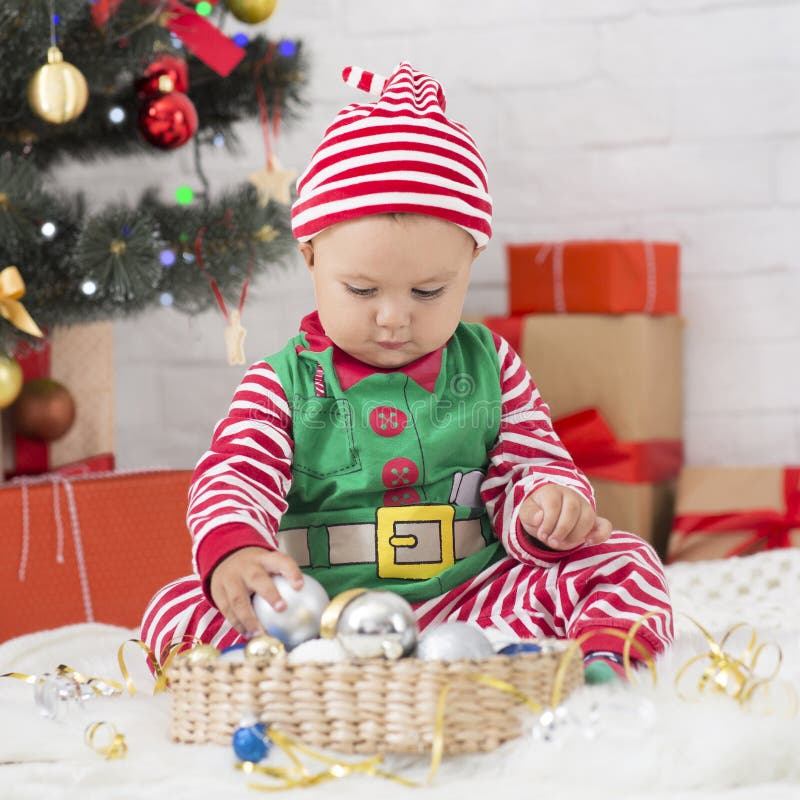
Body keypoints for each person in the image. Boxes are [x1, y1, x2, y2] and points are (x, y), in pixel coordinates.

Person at [141, 62, 673, 683]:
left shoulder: (491, 365)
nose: (393, 318)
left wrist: (546, 506)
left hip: (473, 597)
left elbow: (529, 460)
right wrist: (238, 550)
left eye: (427, 292)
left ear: (471, 259)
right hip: (318, 612)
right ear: (310, 257)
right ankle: (279, 675)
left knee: (624, 560)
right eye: (362, 290)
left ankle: (599, 671)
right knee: (175, 608)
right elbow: (236, 475)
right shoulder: (281, 384)